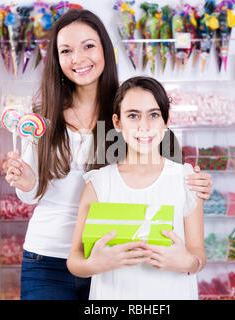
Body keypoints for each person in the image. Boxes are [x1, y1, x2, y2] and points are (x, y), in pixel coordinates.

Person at [5, 9, 213, 300]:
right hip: (47, 257)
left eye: (88, 46)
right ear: (57, 59)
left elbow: (167, 173)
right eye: (66, 50)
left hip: (116, 256)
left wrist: (198, 183)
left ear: (105, 48)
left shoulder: (129, 108)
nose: (78, 59)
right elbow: (31, 193)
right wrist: (27, 184)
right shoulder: (44, 118)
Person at [67, 76, 206, 300]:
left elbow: (198, 253)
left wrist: (187, 262)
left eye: (154, 114)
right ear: (117, 123)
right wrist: (94, 264)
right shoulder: (99, 183)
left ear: (166, 120)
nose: (144, 126)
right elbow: (74, 260)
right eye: (133, 115)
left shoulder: (187, 179)